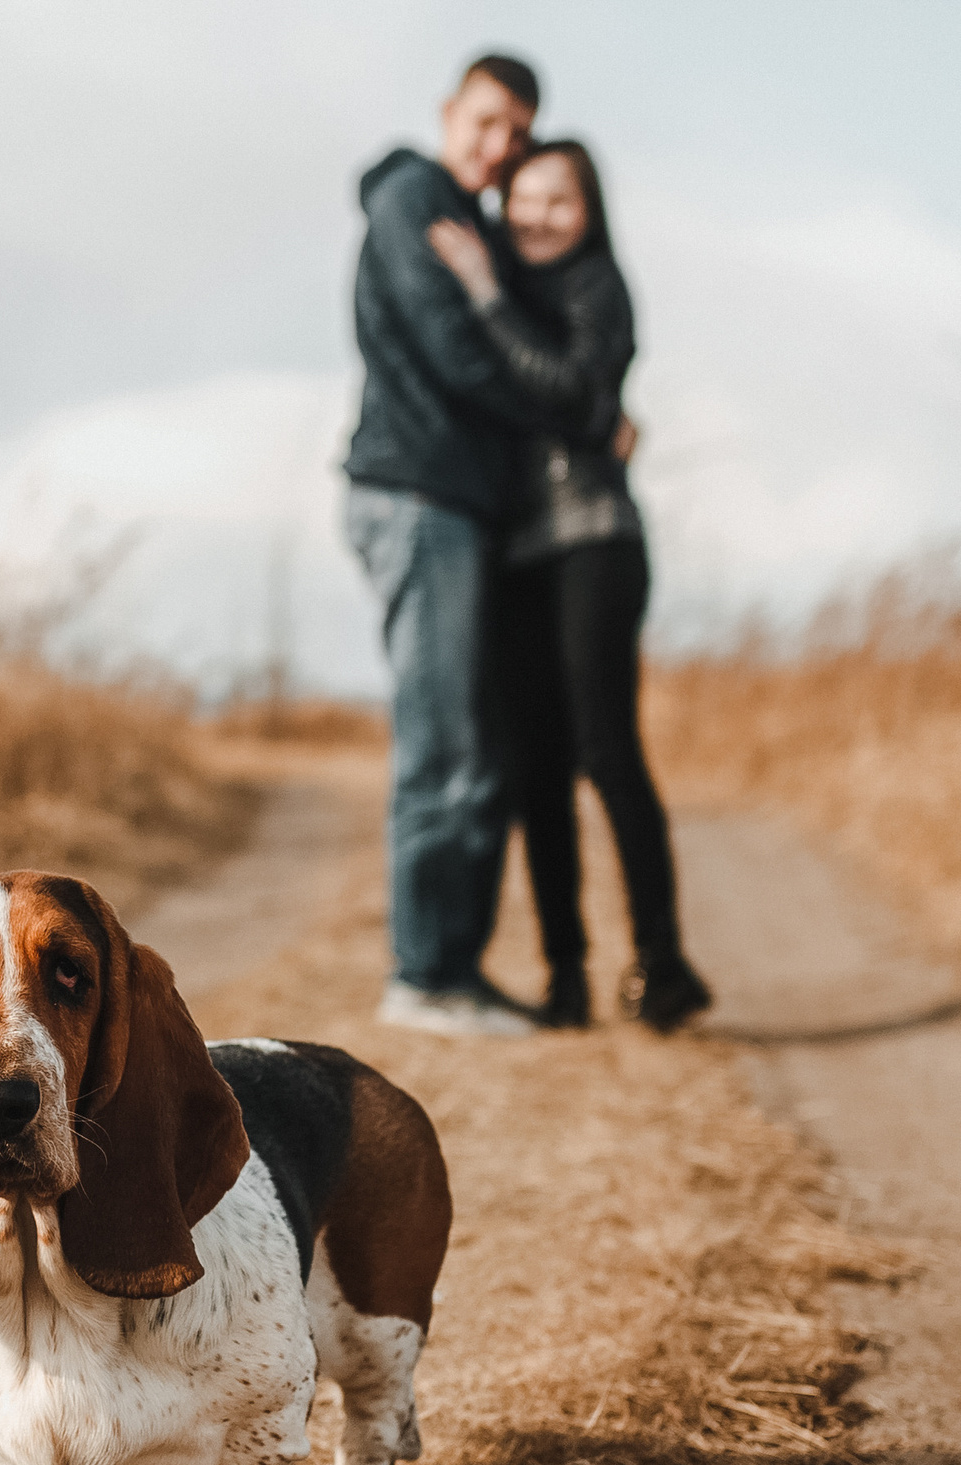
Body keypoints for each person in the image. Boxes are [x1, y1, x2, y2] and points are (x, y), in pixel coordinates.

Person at [424, 139, 715, 1034]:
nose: (540, 214)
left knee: (607, 751)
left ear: (588, 213)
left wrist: (483, 295)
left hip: (592, 538)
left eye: (561, 199)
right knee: (533, 773)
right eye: (526, 196)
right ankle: (566, 978)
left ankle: (662, 965)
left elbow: (577, 397)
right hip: (513, 555)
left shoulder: (596, 288)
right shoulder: (506, 289)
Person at [342, 52, 554, 1039]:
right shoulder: (414, 195)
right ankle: (423, 976)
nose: (499, 145)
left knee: (470, 742)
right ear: (449, 112)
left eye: (516, 132)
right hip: (417, 494)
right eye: (487, 121)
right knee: (441, 744)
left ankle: (454, 974)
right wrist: (571, 407)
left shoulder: (461, 214)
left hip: (451, 499)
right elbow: (457, 352)